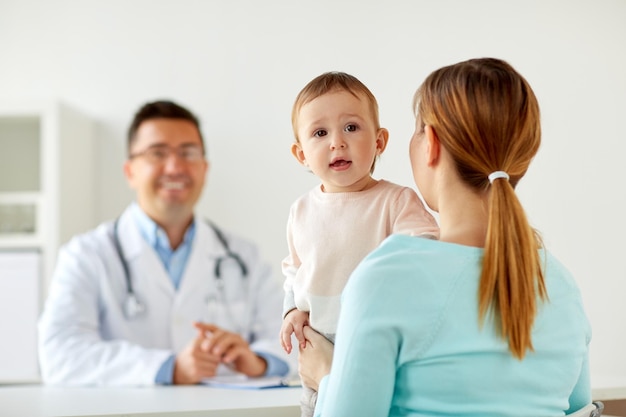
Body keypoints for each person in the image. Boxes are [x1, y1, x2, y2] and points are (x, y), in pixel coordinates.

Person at [298, 58, 592, 416]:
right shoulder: (560, 284)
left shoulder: (386, 279)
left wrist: (326, 374)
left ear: (430, 144)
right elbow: (579, 410)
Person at [38, 100, 291, 386]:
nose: (174, 167)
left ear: (205, 169)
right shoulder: (86, 255)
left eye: (188, 153)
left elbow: (290, 341)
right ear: (130, 171)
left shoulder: (243, 257)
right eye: (157, 153)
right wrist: (169, 368)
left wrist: (258, 362)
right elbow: (60, 356)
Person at [280, 71, 439, 417]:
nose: (337, 142)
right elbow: (294, 270)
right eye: (320, 133)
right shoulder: (301, 211)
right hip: (317, 346)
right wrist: (293, 309)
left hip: (375, 345)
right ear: (301, 154)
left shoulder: (395, 201)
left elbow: (428, 250)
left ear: (380, 141)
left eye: (351, 127)